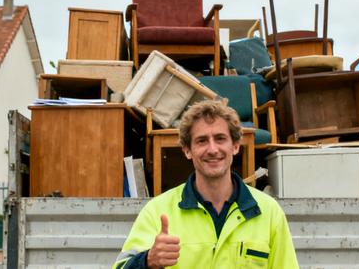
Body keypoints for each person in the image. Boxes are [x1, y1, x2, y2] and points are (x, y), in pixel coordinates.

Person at [113, 100, 298, 268]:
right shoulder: (157, 211)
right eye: (201, 141)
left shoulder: (269, 212)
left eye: (220, 138)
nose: (212, 149)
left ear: (235, 146)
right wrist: (147, 261)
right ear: (187, 150)